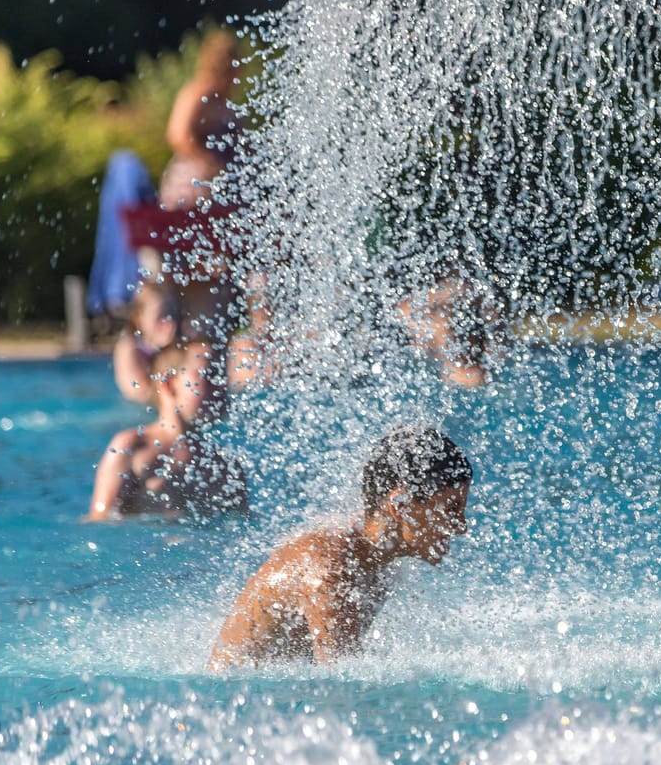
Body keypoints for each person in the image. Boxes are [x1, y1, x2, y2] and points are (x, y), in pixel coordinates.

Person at [208, 426, 473, 668]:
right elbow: (342, 682)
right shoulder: (329, 568)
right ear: (400, 504)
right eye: (451, 509)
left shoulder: (375, 558)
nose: (461, 526)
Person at [86, 340, 245, 521]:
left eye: (223, 377)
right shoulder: (132, 448)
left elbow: (241, 528)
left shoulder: (224, 466)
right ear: (169, 383)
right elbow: (100, 520)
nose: (221, 387)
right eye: (209, 376)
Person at [159, 29, 241, 212]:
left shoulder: (224, 100)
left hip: (222, 185)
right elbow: (178, 135)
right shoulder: (197, 94)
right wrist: (211, 165)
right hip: (194, 182)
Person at [112, 281, 182, 403]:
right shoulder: (129, 348)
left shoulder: (177, 345)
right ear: (139, 318)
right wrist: (162, 351)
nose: (168, 322)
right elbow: (138, 392)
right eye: (161, 316)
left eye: (173, 314)